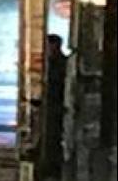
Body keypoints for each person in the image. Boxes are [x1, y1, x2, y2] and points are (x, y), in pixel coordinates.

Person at [39, 34, 68, 180]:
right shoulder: (55, 63)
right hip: (53, 106)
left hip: (55, 108)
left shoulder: (58, 64)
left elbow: (56, 86)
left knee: (52, 139)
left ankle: (51, 169)